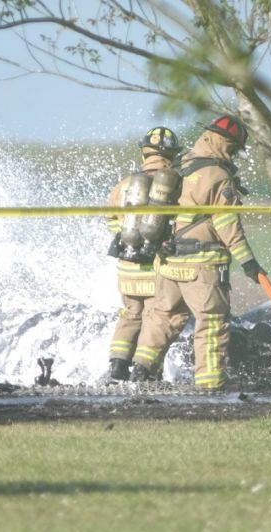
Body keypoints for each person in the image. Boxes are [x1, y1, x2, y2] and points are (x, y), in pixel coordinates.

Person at [130, 114, 267, 391]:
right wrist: (249, 262)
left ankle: (142, 370)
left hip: (168, 261)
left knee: (163, 316)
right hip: (202, 264)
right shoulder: (218, 175)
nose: (234, 154)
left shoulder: (179, 165)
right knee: (212, 321)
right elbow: (227, 223)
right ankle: (210, 382)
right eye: (233, 148)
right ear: (223, 142)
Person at [106, 126, 183, 381]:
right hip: (155, 267)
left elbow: (111, 222)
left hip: (127, 265)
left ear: (144, 154)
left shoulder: (125, 184)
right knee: (154, 318)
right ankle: (146, 372)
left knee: (130, 314)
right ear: (171, 155)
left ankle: (117, 366)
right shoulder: (174, 183)